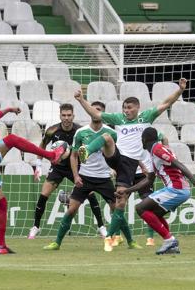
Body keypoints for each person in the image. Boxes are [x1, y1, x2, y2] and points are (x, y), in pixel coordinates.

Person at [74, 79, 187, 251]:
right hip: (119, 159)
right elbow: (96, 115)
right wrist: (81, 100)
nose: (126, 111)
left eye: (129, 108)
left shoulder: (146, 117)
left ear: (137, 108)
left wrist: (179, 90)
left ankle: (118, 238)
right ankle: (87, 151)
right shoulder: (118, 118)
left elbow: (165, 104)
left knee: (125, 203)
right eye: (124, 108)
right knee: (106, 138)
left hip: (135, 166)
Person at [0, 94, 65, 254]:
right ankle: (51, 155)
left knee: (1, 203)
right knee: (12, 140)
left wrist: (8, 110)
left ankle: (1, 246)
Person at [118, 127, 195, 255]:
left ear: (145, 140)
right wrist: (128, 190)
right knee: (154, 213)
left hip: (176, 189)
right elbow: (149, 180)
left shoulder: (157, 149)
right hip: (176, 189)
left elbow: (178, 164)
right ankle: (172, 246)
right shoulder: (154, 153)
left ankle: (169, 240)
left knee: (140, 208)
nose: (141, 142)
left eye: (142, 140)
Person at [44, 102, 119, 251]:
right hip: (85, 176)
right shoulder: (81, 132)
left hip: (104, 177)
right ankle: (57, 242)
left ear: (103, 114)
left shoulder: (111, 133)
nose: (95, 113)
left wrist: (114, 168)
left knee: (116, 209)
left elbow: (115, 154)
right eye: (94, 110)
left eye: (99, 111)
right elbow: (73, 156)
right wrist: (76, 175)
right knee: (71, 210)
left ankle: (119, 238)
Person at [28, 103, 106, 239]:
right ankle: (35, 227)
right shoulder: (52, 130)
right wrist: (39, 166)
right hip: (58, 168)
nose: (66, 118)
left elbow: (89, 149)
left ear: (73, 116)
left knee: (90, 194)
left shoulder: (80, 131)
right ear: (60, 116)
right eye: (64, 115)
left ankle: (101, 227)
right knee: (44, 194)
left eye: (69, 115)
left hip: (76, 167)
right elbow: (42, 146)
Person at [135, 133, 169, 247]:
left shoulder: (149, 133)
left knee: (148, 206)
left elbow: (164, 138)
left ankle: (150, 238)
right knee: (119, 203)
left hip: (146, 173)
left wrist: (167, 150)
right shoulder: (125, 133)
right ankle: (116, 236)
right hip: (129, 172)